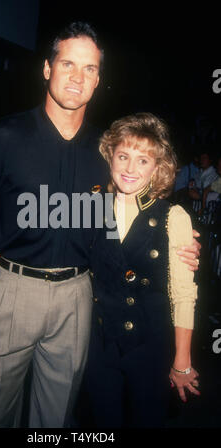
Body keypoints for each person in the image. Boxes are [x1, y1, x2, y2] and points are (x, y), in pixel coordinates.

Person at [0, 22, 200, 428]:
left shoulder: (106, 151)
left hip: (79, 299)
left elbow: (137, 208)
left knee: (55, 420)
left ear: (98, 79)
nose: (77, 76)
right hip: (10, 295)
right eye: (67, 63)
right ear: (47, 69)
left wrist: (181, 240)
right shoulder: (2, 137)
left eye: (89, 68)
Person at [84, 113, 200, 428]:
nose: (130, 168)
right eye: (123, 156)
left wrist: (182, 360)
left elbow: (183, 294)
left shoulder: (173, 216)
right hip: (99, 343)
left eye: (143, 160)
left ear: (157, 168)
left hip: (150, 344)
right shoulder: (88, 208)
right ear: (110, 157)